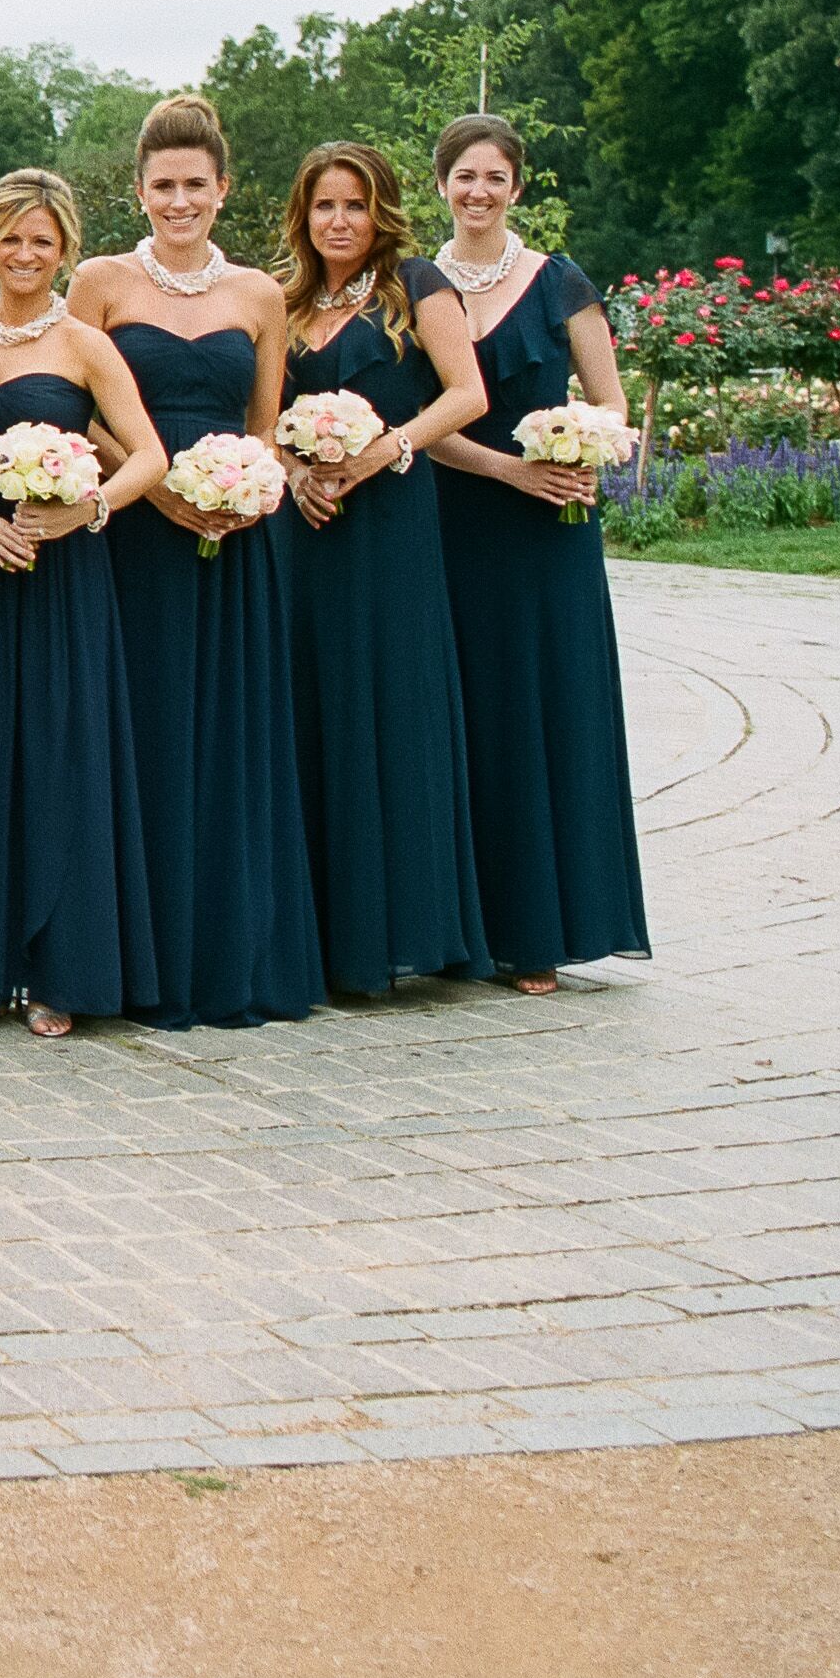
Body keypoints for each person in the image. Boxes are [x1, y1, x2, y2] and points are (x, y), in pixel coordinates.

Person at [67, 96, 320, 1028]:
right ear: (140, 191)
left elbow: (264, 427)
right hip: (130, 528)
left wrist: (238, 489)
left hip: (228, 544)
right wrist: (149, 479)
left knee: (221, 737)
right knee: (135, 729)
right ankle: (127, 955)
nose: (179, 201)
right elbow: (72, 401)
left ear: (224, 189)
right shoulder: (98, 282)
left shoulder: (258, 296)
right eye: (163, 186)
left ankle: (222, 953)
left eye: (195, 186)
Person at [0, 170, 167, 1035]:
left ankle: (66, 969)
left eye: (42, 240)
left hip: (66, 573)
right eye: (9, 238)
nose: (25, 254)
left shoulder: (84, 346)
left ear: (65, 248)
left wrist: (85, 508)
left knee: (63, 755)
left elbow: (147, 456)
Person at [424, 115, 652, 993]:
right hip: (446, 524)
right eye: (463, 176)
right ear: (441, 183)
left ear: (517, 187)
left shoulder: (559, 284)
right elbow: (424, 421)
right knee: (457, 711)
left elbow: (613, 408)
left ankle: (536, 930)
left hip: (546, 532)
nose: (478, 192)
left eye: (495, 178)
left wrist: (577, 449)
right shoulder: (415, 285)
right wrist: (506, 471)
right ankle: (457, 926)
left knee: (537, 712)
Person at [277, 141, 494, 998]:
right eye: (325, 206)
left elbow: (466, 394)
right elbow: (263, 413)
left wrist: (381, 453)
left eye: (355, 206)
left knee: (393, 702)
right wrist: (295, 472)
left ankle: (404, 925)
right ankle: (324, 928)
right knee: (313, 703)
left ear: (382, 212)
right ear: (305, 215)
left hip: (392, 519)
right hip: (308, 524)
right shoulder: (288, 297)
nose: (340, 222)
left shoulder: (416, 287)